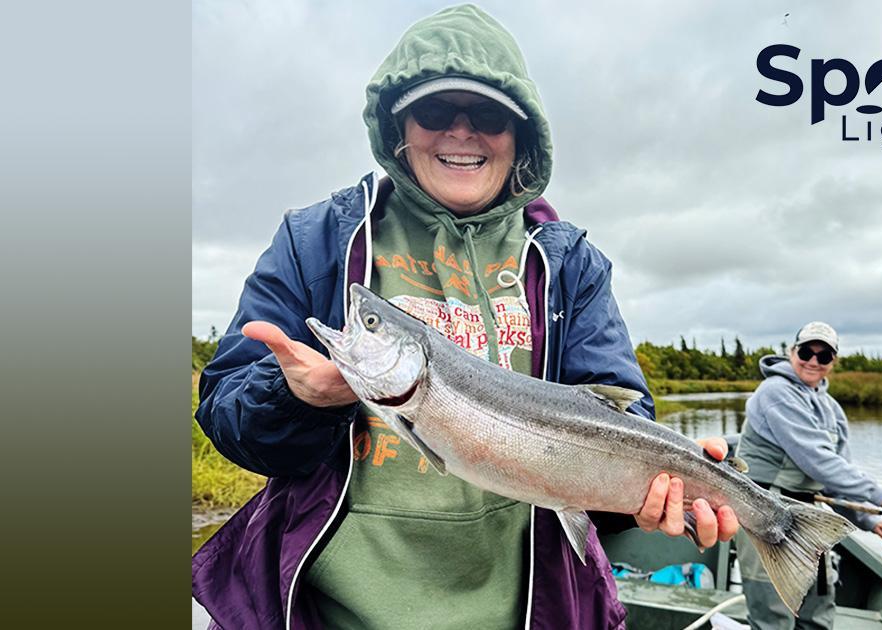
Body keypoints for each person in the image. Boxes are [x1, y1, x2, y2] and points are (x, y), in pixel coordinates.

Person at [191, 5, 737, 629]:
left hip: (531, 612)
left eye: (487, 115)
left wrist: (647, 499)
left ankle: (784, 526)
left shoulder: (569, 263)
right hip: (324, 613)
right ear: (398, 126)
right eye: (433, 112)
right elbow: (228, 415)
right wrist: (296, 399)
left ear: (520, 133)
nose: (461, 132)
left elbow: (617, 419)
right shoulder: (318, 239)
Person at [734, 321, 882, 630]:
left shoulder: (832, 409)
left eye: (824, 356)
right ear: (791, 352)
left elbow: (836, 477)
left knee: (818, 607)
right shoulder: (775, 392)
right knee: (773, 614)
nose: (813, 361)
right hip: (761, 510)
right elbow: (818, 462)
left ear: (833, 362)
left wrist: (871, 521)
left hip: (807, 514)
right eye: (807, 351)